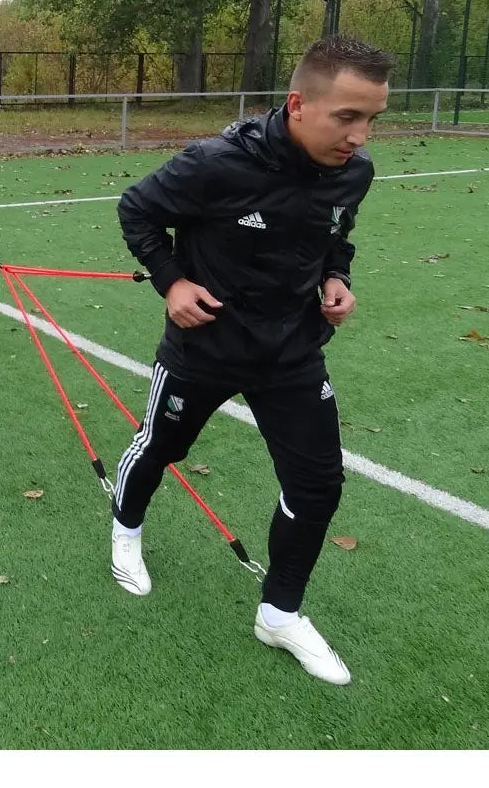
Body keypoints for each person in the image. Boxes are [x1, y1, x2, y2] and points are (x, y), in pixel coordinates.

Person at [110, 35, 393, 685]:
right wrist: (171, 281)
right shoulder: (216, 163)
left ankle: (279, 611)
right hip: (204, 348)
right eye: (346, 116)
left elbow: (334, 233)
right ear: (297, 104)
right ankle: (126, 526)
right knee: (159, 447)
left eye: (372, 117)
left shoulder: (355, 172)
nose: (359, 134)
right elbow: (138, 211)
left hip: (291, 352)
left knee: (318, 485)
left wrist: (335, 277)